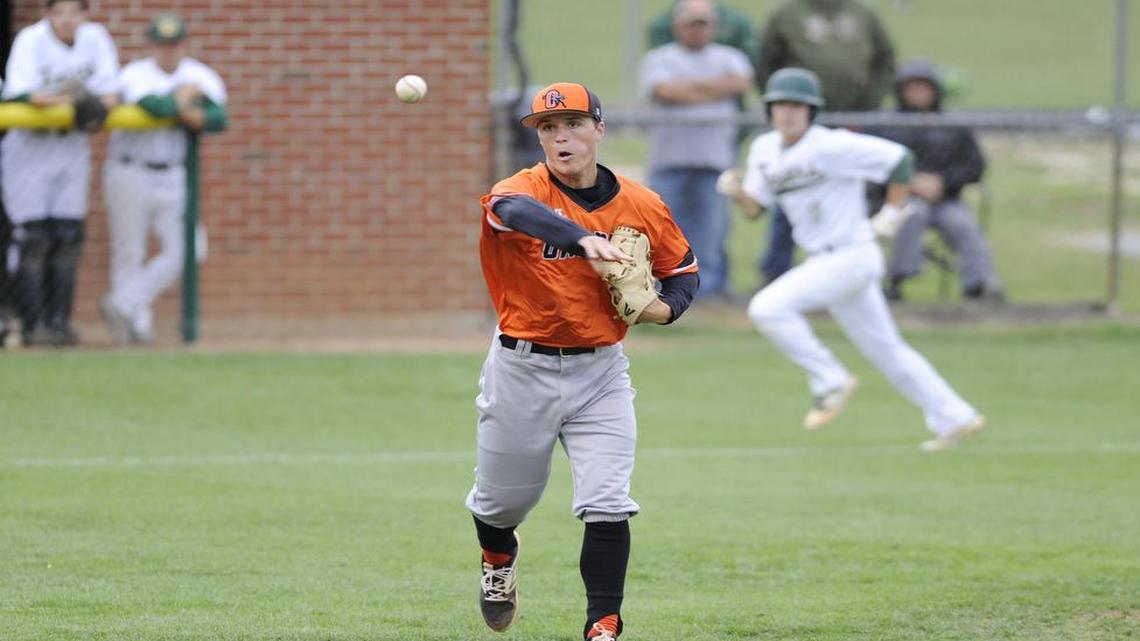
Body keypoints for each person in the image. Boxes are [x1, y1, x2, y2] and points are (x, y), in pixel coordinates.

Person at [466, 82, 699, 640]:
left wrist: (663, 311)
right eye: (548, 128)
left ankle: (604, 624)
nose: (559, 137)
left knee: (607, 501)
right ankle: (498, 559)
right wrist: (581, 239)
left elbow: (683, 272)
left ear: (599, 129)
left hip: (601, 372)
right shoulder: (522, 189)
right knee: (500, 505)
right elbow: (509, 210)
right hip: (523, 367)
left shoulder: (642, 204)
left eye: (572, 124)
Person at [723, 68, 985, 452]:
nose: (788, 112)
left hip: (851, 254)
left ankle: (829, 379)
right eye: (780, 104)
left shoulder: (831, 144)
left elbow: (900, 161)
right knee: (889, 351)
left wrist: (895, 211)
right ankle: (955, 416)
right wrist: (737, 193)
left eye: (797, 105)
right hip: (824, 261)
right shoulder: (764, 150)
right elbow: (756, 208)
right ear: (769, 110)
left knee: (766, 308)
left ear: (812, 111)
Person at [99, 13, 227, 345]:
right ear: (151, 45)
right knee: (130, 251)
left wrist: (184, 108)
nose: (168, 50)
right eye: (161, 43)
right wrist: (184, 101)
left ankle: (122, 303)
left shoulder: (199, 74)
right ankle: (136, 329)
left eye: (174, 43)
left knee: (190, 248)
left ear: (184, 44)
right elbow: (153, 105)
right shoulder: (136, 73)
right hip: (130, 169)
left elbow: (217, 117)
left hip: (173, 173)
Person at [1, 0, 119, 347]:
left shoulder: (96, 38)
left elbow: (110, 95)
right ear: (48, 14)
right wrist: (75, 99)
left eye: (74, 12)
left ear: (85, 14)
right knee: (33, 239)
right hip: (30, 148)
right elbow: (25, 94)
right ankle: (31, 323)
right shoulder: (31, 39)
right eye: (59, 12)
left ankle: (59, 323)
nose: (67, 20)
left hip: (70, 148)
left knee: (68, 237)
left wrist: (89, 101)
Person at [755, 0, 896, 287]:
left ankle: (846, 278)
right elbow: (765, 62)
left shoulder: (861, 14)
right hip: (801, 121)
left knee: (846, 199)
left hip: (850, 120)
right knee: (789, 190)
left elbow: (885, 59)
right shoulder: (788, 15)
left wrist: (868, 102)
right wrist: (784, 104)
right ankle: (777, 273)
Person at [640, 0, 752, 301]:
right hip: (669, 158)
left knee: (713, 228)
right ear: (678, 26)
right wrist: (716, 88)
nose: (697, 30)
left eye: (703, 24)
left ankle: (709, 291)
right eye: (692, 23)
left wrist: (686, 90)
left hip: (715, 159)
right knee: (664, 227)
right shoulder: (659, 58)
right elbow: (664, 90)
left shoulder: (731, 57)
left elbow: (740, 83)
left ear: (713, 27)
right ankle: (667, 289)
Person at [867, 59, 1003, 302]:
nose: (918, 92)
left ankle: (979, 284)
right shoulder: (886, 125)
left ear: (935, 90)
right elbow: (870, 167)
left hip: (946, 199)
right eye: (912, 86)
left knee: (961, 222)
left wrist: (943, 183)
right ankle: (896, 281)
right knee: (913, 214)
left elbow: (975, 167)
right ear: (901, 90)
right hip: (899, 198)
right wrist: (907, 182)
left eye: (924, 86)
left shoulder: (952, 126)